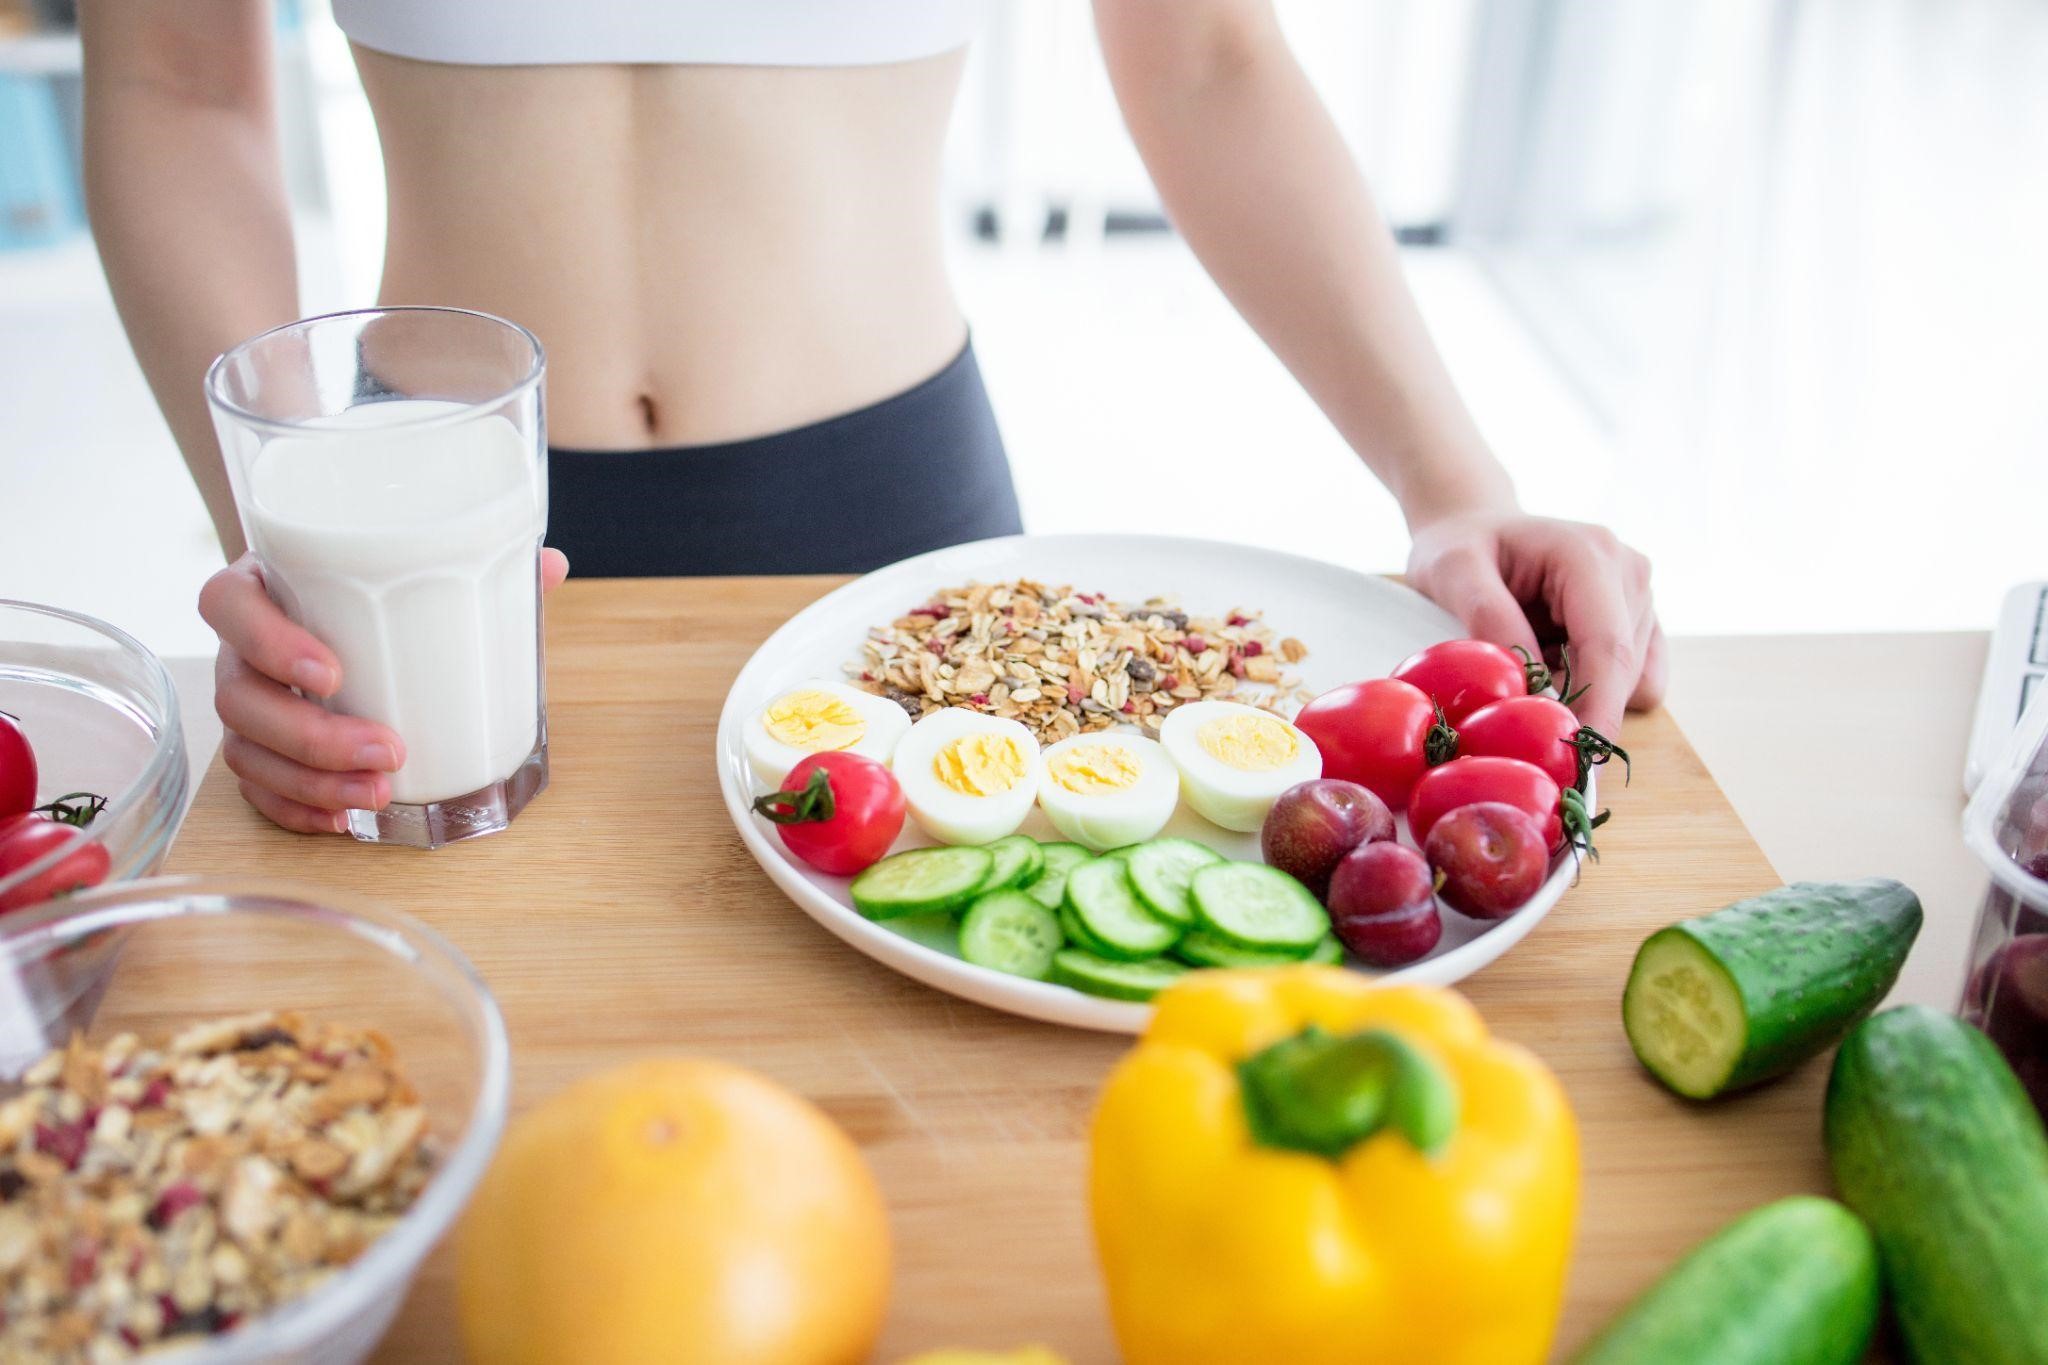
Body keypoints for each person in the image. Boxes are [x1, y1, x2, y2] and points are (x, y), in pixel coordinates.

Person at [81, 0, 1664, 835]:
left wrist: (1452, 482)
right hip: (439, 542)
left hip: (895, 535)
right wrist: (288, 544)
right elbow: (172, 78)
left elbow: (1206, 55)